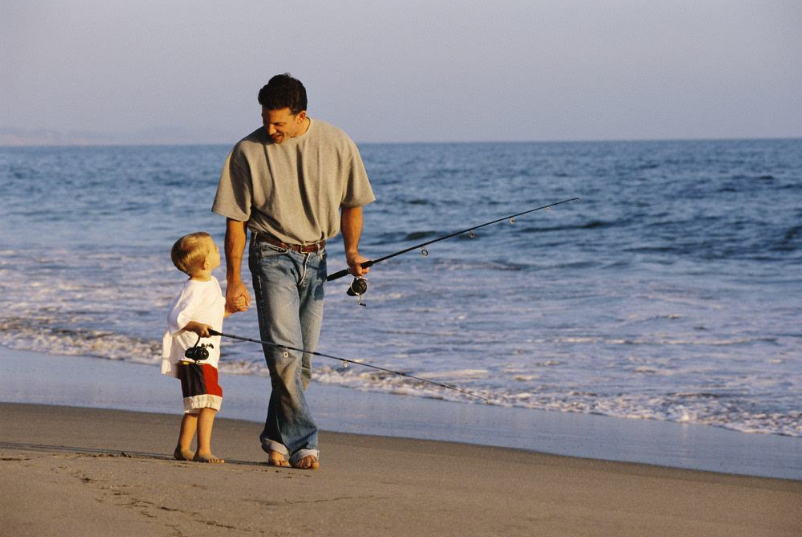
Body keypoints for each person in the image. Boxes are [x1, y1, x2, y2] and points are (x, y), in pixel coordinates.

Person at [212, 73, 375, 470]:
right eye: (266, 119)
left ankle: (276, 440)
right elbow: (236, 220)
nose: (270, 128)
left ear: (302, 115)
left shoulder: (338, 143)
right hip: (270, 254)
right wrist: (233, 280)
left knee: (300, 364)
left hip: (317, 259)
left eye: (278, 122)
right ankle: (305, 442)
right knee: (284, 354)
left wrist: (352, 252)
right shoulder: (247, 151)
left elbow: (353, 204)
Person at [162, 231, 240, 464]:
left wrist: (230, 311)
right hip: (194, 354)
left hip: (208, 354)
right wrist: (195, 326)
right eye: (215, 248)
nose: (219, 251)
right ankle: (203, 450)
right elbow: (175, 317)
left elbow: (214, 315)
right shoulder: (194, 288)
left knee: (196, 404)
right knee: (209, 400)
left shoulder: (212, 283)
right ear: (206, 263)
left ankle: (182, 448)